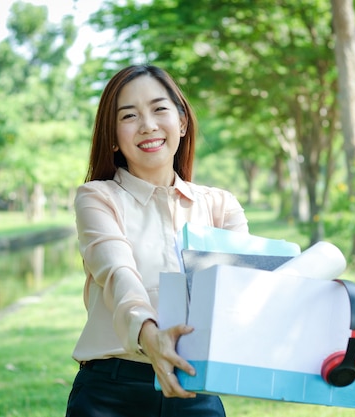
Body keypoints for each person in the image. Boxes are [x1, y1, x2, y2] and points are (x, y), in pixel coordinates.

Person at [66, 64, 249, 417]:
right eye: (129, 115)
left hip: (194, 389)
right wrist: (150, 336)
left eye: (159, 109)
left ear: (182, 121)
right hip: (110, 393)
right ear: (113, 137)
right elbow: (118, 275)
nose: (148, 124)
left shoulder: (220, 205)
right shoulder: (97, 198)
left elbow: (242, 288)